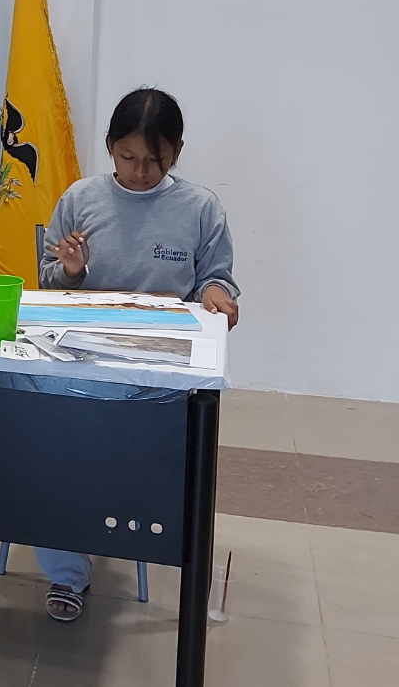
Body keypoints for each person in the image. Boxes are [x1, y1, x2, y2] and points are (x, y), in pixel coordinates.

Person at [36, 87, 239, 622]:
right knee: (44, 447)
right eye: (128, 157)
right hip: (80, 364)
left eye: (156, 159)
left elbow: (217, 278)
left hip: (158, 372)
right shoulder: (81, 199)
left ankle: (148, 534)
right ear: (110, 147)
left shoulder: (199, 208)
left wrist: (216, 294)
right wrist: (72, 271)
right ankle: (67, 571)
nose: (141, 171)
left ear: (176, 153)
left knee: (144, 456)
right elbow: (47, 283)